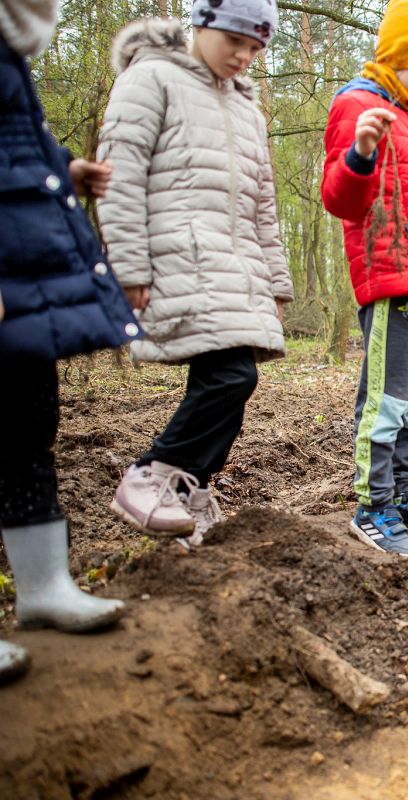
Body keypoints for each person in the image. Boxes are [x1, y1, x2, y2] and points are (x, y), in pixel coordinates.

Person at [98, 3, 293, 550]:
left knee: (228, 384)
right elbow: (120, 175)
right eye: (235, 40)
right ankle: (152, 473)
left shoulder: (246, 108)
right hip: (177, 261)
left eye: (256, 48)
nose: (244, 56)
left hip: (234, 270)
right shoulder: (151, 78)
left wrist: (275, 283)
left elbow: (262, 206)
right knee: (233, 378)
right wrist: (129, 266)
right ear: (202, 24)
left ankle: (192, 491)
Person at [0, 0, 142, 681]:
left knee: (30, 420)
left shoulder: (10, 54)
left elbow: (11, 144)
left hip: (21, 259)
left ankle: (43, 587)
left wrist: (62, 166)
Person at [321, 0, 408, 560]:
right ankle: (372, 507)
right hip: (390, 280)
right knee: (385, 402)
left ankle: (403, 494)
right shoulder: (356, 106)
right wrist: (359, 151)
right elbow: (341, 201)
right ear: (405, 60)